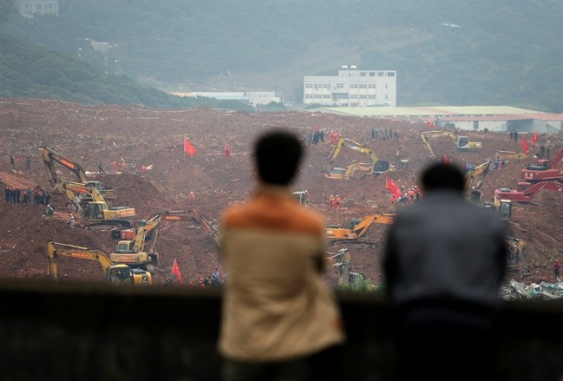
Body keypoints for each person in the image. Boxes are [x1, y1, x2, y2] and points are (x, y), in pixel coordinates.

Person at [217, 129, 345, 381]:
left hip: (244, 344)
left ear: (256, 167)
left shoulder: (232, 221)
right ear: (297, 170)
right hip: (293, 346)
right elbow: (318, 270)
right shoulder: (311, 225)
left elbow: (228, 257)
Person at [382, 162, 508, 381]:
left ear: (424, 187)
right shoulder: (490, 222)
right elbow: (499, 271)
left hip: (418, 323)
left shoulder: (405, 220)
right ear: (463, 187)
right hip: (474, 324)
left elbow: (391, 271)